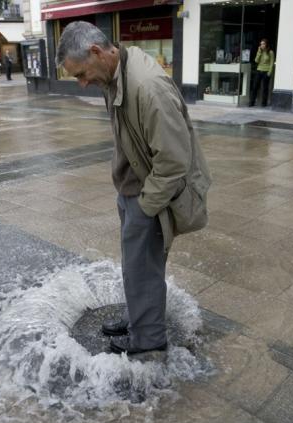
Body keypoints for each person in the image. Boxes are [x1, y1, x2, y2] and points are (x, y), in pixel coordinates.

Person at [56, 22, 211, 355]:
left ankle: (148, 342)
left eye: (81, 74)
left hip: (149, 193)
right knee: (136, 265)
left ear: (97, 51)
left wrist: (145, 205)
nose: (82, 83)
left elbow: (173, 162)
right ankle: (140, 316)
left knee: (144, 268)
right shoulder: (116, 71)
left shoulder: (148, 87)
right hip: (132, 189)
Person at [249, 38, 275, 107]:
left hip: (266, 71)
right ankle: (252, 102)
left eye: (263, 44)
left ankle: (264, 103)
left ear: (266, 44)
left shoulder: (270, 52)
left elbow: (272, 63)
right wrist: (259, 52)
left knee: (265, 88)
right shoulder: (259, 51)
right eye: (261, 44)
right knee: (255, 87)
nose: (262, 45)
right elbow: (256, 61)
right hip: (259, 70)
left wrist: (269, 72)